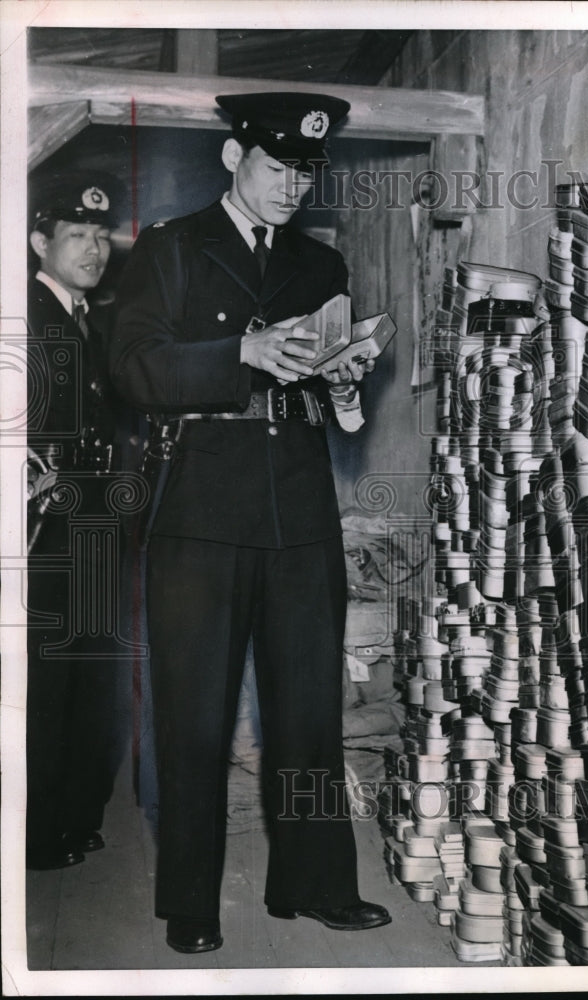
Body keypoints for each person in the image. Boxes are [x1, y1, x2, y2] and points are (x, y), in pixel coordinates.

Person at [109, 91, 391, 954]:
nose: (292, 188)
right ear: (235, 159)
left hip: (299, 509)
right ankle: (192, 902)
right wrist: (241, 352)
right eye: (277, 168)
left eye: (306, 174)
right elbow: (133, 367)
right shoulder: (171, 248)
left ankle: (314, 883)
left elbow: (331, 394)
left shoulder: (320, 264)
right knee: (193, 715)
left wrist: (343, 383)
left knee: (308, 711)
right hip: (199, 507)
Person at [26, 176, 123, 870]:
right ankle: (36, 832)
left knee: (91, 672)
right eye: (77, 235)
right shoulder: (23, 313)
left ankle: (74, 815)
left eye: (101, 236)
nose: (94, 249)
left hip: (93, 515)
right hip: (44, 525)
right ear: (41, 242)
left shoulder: (89, 319)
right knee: (46, 678)